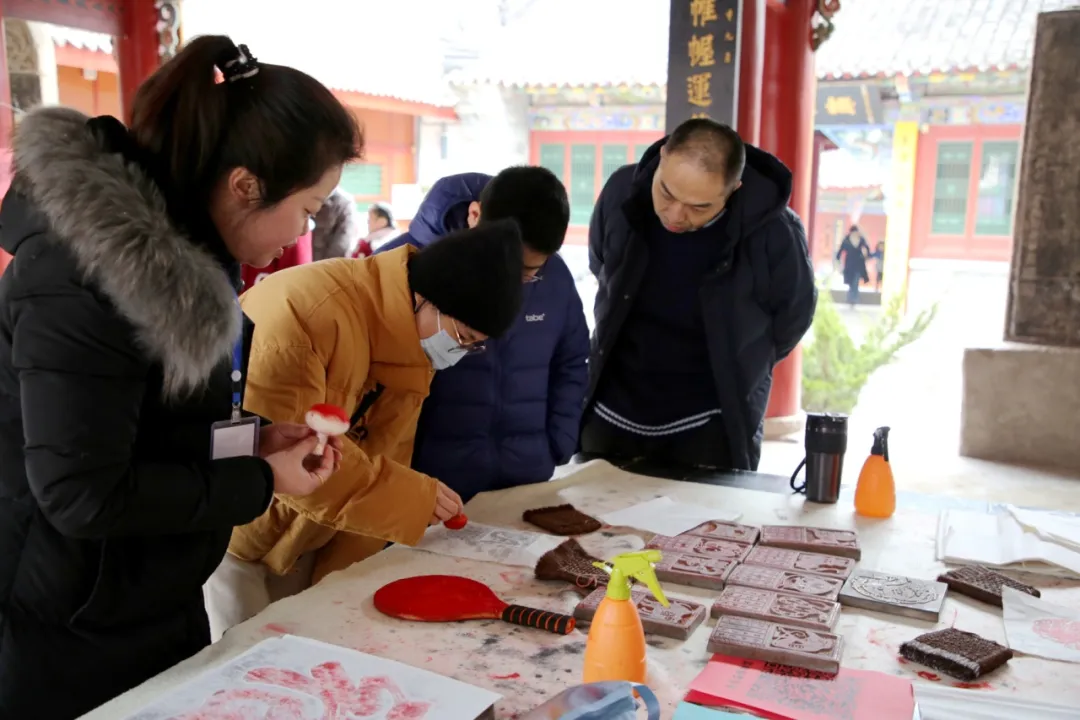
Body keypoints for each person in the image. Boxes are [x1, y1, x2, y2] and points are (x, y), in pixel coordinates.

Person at [0, 36, 357, 718]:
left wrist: (253, 441)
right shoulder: (79, 274)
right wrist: (259, 483)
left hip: (151, 593)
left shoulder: (194, 258)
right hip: (63, 626)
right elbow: (81, 493)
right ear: (245, 184)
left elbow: (155, 421)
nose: (303, 231)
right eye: (308, 209)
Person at [204, 220, 525, 639]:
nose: (459, 352)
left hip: (309, 538)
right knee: (247, 672)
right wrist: (411, 500)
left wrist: (344, 585)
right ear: (426, 298)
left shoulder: (410, 343)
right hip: (243, 535)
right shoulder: (303, 313)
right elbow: (298, 465)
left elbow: (387, 452)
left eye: (473, 345)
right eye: (462, 336)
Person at [582, 117, 816, 472]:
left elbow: (791, 319)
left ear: (734, 188)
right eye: (666, 193)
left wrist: (738, 359)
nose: (676, 215)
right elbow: (602, 266)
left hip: (711, 424)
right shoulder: (620, 194)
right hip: (610, 412)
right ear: (662, 157)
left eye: (699, 207)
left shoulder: (774, 232)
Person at [378, 167, 588, 504]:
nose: (515, 284)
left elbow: (572, 359)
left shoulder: (556, 276)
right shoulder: (401, 267)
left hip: (526, 474)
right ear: (474, 215)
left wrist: (559, 440)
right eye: (513, 268)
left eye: (531, 274)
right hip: (430, 484)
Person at [311, 186, 362, 260]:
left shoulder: (343, 202)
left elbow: (343, 240)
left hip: (326, 262)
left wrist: (326, 265)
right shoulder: (304, 194)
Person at [836, 225, 870, 306]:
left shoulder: (861, 239)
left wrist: (867, 255)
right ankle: (850, 298)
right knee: (851, 281)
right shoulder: (847, 239)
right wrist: (837, 258)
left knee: (856, 281)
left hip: (859, 263)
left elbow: (867, 248)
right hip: (849, 263)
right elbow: (841, 249)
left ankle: (853, 298)